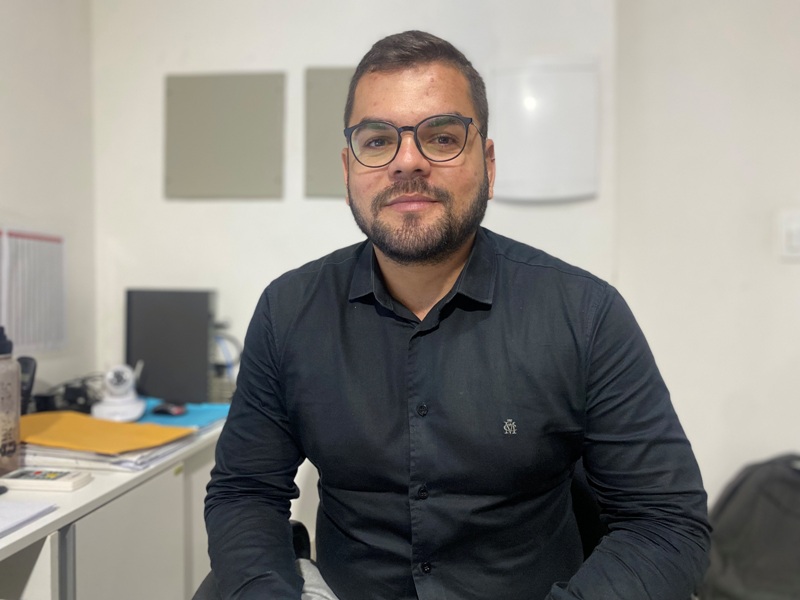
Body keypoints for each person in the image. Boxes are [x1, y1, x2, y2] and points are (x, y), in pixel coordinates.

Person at [204, 30, 710, 600]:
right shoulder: (289, 312)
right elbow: (245, 493)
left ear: (488, 164)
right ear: (348, 170)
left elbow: (666, 523)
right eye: (378, 141)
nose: (408, 161)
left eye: (442, 137)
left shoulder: (584, 314)